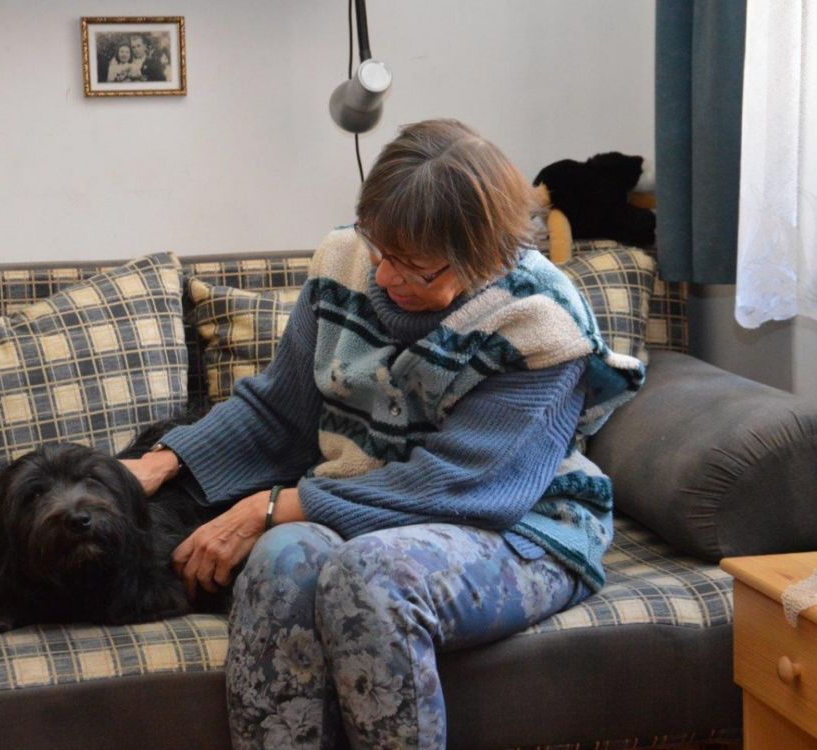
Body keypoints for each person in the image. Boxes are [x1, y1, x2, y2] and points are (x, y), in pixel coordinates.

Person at [122, 119, 643, 749]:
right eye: (380, 248)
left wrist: (273, 506)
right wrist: (161, 462)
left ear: (482, 253)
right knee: (281, 559)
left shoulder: (541, 320)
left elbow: (462, 486)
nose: (387, 277)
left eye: (415, 266)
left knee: (372, 577)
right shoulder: (343, 260)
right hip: (363, 508)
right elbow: (280, 411)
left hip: (521, 525)